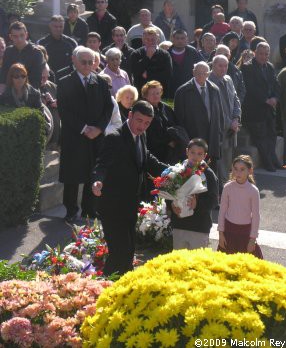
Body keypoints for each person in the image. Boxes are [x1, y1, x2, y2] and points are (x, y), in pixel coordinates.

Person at [92, 101, 168, 275]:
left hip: (130, 203)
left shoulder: (141, 135)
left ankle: (125, 287)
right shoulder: (115, 137)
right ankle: (106, 288)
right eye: (139, 121)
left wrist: (170, 171)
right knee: (119, 251)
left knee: (128, 251)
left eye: (147, 123)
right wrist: (97, 181)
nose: (142, 126)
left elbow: (146, 157)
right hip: (112, 205)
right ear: (130, 115)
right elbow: (101, 164)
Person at [57, 47, 114, 223]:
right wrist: (83, 128)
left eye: (91, 62)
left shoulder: (101, 82)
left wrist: (98, 128)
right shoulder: (65, 82)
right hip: (74, 137)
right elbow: (64, 110)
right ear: (74, 61)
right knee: (72, 176)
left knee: (93, 174)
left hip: (96, 137)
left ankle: (90, 209)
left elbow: (108, 108)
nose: (88, 65)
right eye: (84, 62)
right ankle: (71, 210)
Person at [170, 138, 218, 250]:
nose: (195, 156)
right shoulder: (178, 170)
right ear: (187, 151)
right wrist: (171, 206)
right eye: (192, 152)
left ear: (205, 156)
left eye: (199, 154)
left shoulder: (208, 174)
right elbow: (170, 192)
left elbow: (214, 200)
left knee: (197, 264)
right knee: (178, 263)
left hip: (199, 226)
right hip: (179, 224)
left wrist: (197, 204)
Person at [174, 61, 224, 164]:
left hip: (211, 142)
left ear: (209, 74)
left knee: (210, 174)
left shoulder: (214, 89)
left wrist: (219, 138)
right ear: (193, 72)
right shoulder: (183, 91)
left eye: (204, 73)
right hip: (193, 144)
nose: (201, 75)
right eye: (198, 73)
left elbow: (220, 116)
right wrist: (185, 142)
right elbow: (178, 120)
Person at [241, 42, 280, 171]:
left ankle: (274, 160)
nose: (264, 56)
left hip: (269, 109)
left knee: (272, 135)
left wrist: (275, 97)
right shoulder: (247, 67)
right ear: (255, 53)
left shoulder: (269, 66)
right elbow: (251, 88)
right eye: (261, 54)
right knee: (261, 137)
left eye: (266, 54)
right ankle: (268, 163)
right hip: (255, 110)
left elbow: (275, 84)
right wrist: (265, 100)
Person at [218, 155, 263, 258]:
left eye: (242, 169)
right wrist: (221, 234)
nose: (238, 173)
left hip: (245, 234)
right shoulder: (227, 187)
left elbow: (256, 216)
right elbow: (222, 211)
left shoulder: (253, 191)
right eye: (235, 169)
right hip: (228, 231)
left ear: (250, 171)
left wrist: (252, 239)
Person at [209, 54, 241, 190]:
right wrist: (230, 123)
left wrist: (236, 118)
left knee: (229, 161)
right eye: (220, 65)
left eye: (226, 65)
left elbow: (235, 99)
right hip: (219, 130)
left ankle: (226, 189)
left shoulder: (228, 79)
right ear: (213, 65)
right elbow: (215, 109)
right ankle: (221, 192)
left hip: (231, 129)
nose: (223, 68)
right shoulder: (208, 81)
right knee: (220, 163)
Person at [142, 80, 186, 165]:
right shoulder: (144, 110)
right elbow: (148, 133)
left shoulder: (166, 108)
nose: (155, 96)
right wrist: (167, 141)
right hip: (155, 152)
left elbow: (177, 125)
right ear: (146, 96)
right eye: (152, 94)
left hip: (173, 152)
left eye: (157, 93)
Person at [0, 22, 44, 92]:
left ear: (26, 35)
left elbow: (36, 80)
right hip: (9, 92)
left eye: (22, 35)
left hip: (30, 93)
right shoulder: (8, 51)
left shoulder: (36, 53)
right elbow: (3, 76)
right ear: (10, 37)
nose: (19, 39)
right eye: (15, 36)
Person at [130, 27, 173, 96]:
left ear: (158, 40)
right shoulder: (136, 54)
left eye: (153, 40)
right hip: (141, 93)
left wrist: (148, 75)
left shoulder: (165, 54)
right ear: (143, 40)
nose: (150, 42)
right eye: (147, 39)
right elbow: (135, 72)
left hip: (160, 93)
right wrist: (147, 58)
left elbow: (167, 74)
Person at [168, 29, 203, 98]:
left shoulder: (193, 52)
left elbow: (202, 66)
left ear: (187, 39)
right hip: (170, 92)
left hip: (190, 91)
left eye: (182, 38)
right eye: (177, 38)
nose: (180, 41)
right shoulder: (166, 54)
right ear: (172, 39)